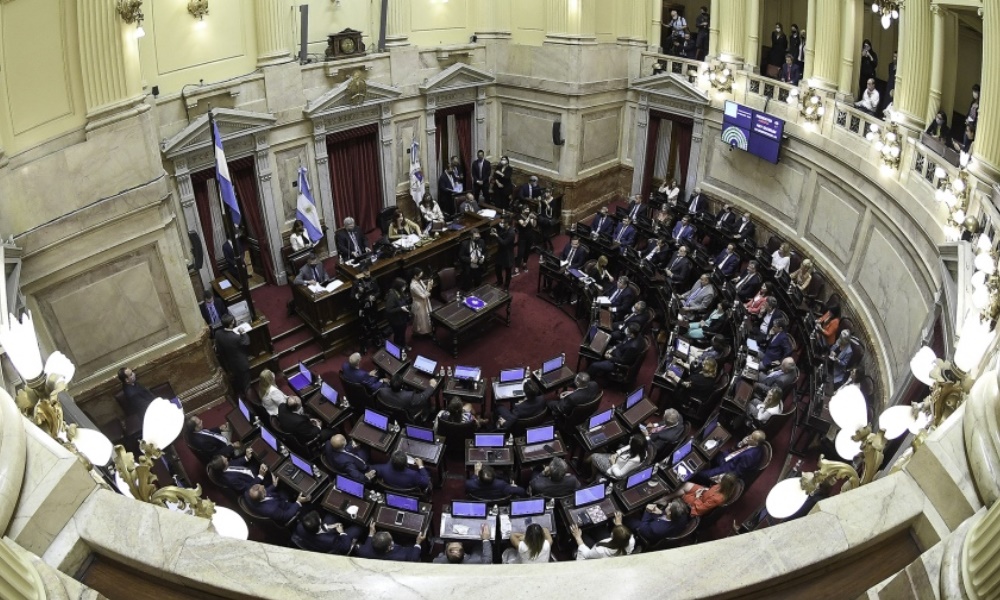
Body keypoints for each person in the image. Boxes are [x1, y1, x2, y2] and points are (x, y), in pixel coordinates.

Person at [696, 432, 766, 483]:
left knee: (701, 474)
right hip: (729, 458)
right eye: (751, 434)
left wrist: (722, 477)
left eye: (751, 437)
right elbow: (734, 449)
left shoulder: (749, 456)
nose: (748, 437)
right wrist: (741, 443)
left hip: (727, 469)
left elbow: (737, 472)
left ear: (756, 442)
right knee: (710, 452)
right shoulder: (754, 445)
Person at [667, 472, 740, 517]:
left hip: (698, 505)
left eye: (722, 478)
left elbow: (701, 509)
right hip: (702, 495)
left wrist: (697, 497)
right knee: (687, 485)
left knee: (682, 493)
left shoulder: (718, 498)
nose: (720, 476)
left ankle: (667, 499)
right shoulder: (722, 486)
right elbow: (711, 491)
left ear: (725, 484)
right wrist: (705, 490)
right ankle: (668, 498)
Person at [293, 510, 362, 555]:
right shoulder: (331, 540)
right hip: (330, 542)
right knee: (358, 528)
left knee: (332, 515)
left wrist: (328, 526)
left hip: (314, 541)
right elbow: (345, 547)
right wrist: (342, 532)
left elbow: (318, 529)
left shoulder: (300, 527)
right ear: (320, 522)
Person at [244, 478, 309, 523]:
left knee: (285, 485)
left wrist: (274, 485)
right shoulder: (272, 510)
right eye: (263, 489)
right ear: (263, 496)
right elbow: (286, 516)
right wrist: (298, 502)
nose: (263, 485)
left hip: (276, 499)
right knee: (307, 507)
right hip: (284, 507)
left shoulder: (247, 494)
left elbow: (264, 492)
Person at [215, 313, 251, 395]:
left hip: (230, 364)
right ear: (232, 323)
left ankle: (241, 396)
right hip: (242, 364)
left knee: (238, 382)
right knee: (246, 384)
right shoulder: (236, 337)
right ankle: (249, 398)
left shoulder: (218, 334)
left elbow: (219, 350)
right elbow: (246, 342)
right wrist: (243, 332)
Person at [352, 265, 382, 354]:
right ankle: (363, 346)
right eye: (365, 272)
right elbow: (352, 296)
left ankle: (376, 341)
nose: (367, 273)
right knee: (363, 328)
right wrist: (358, 293)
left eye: (368, 271)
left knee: (373, 325)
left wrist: (374, 297)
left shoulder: (373, 280)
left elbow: (379, 291)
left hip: (372, 306)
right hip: (362, 308)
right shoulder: (357, 283)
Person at [356, 524, 424, 562]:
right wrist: (418, 543)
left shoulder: (363, 551)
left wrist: (371, 533)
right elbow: (414, 558)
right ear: (389, 547)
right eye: (392, 540)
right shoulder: (401, 556)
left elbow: (365, 546)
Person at [490, 216, 516, 290]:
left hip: (508, 254)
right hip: (501, 252)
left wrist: (496, 235)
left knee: (508, 271)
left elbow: (504, 243)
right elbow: (501, 235)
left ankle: (506, 286)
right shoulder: (504, 229)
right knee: (497, 267)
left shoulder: (511, 233)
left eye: (503, 222)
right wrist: (496, 232)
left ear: (507, 223)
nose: (502, 223)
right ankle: (499, 281)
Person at [384, 277, 410, 350]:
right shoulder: (392, 295)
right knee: (398, 335)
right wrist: (401, 308)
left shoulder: (399, 292)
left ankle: (404, 345)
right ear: (398, 286)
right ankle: (398, 349)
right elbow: (389, 310)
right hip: (396, 320)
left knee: (403, 333)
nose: (404, 288)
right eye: (403, 287)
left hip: (402, 318)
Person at [408, 267, 433, 337]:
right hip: (419, 304)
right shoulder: (413, 286)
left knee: (427, 317)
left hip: (425, 302)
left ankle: (429, 330)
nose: (421, 277)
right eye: (419, 275)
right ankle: (421, 333)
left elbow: (425, 289)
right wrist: (428, 288)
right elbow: (423, 296)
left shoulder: (419, 280)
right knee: (421, 320)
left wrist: (429, 284)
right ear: (415, 276)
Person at [514, 205, 537, 275]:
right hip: (522, 237)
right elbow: (523, 225)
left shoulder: (530, 215)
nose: (528, 210)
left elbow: (534, 225)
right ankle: (517, 266)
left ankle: (524, 264)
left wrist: (534, 219)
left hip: (530, 237)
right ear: (523, 210)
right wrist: (528, 218)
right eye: (527, 209)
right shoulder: (519, 216)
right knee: (520, 252)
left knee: (527, 251)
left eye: (528, 209)